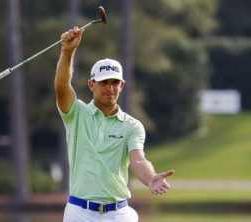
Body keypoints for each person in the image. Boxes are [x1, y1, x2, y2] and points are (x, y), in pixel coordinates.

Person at [54, 26, 175, 222]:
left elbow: (138, 160)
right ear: (91, 84)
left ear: (122, 85)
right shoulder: (76, 113)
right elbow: (62, 87)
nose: (110, 88)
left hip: (118, 213)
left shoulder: (132, 126)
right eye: (103, 82)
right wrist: (68, 51)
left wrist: (151, 178)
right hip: (79, 212)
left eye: (114, 82)